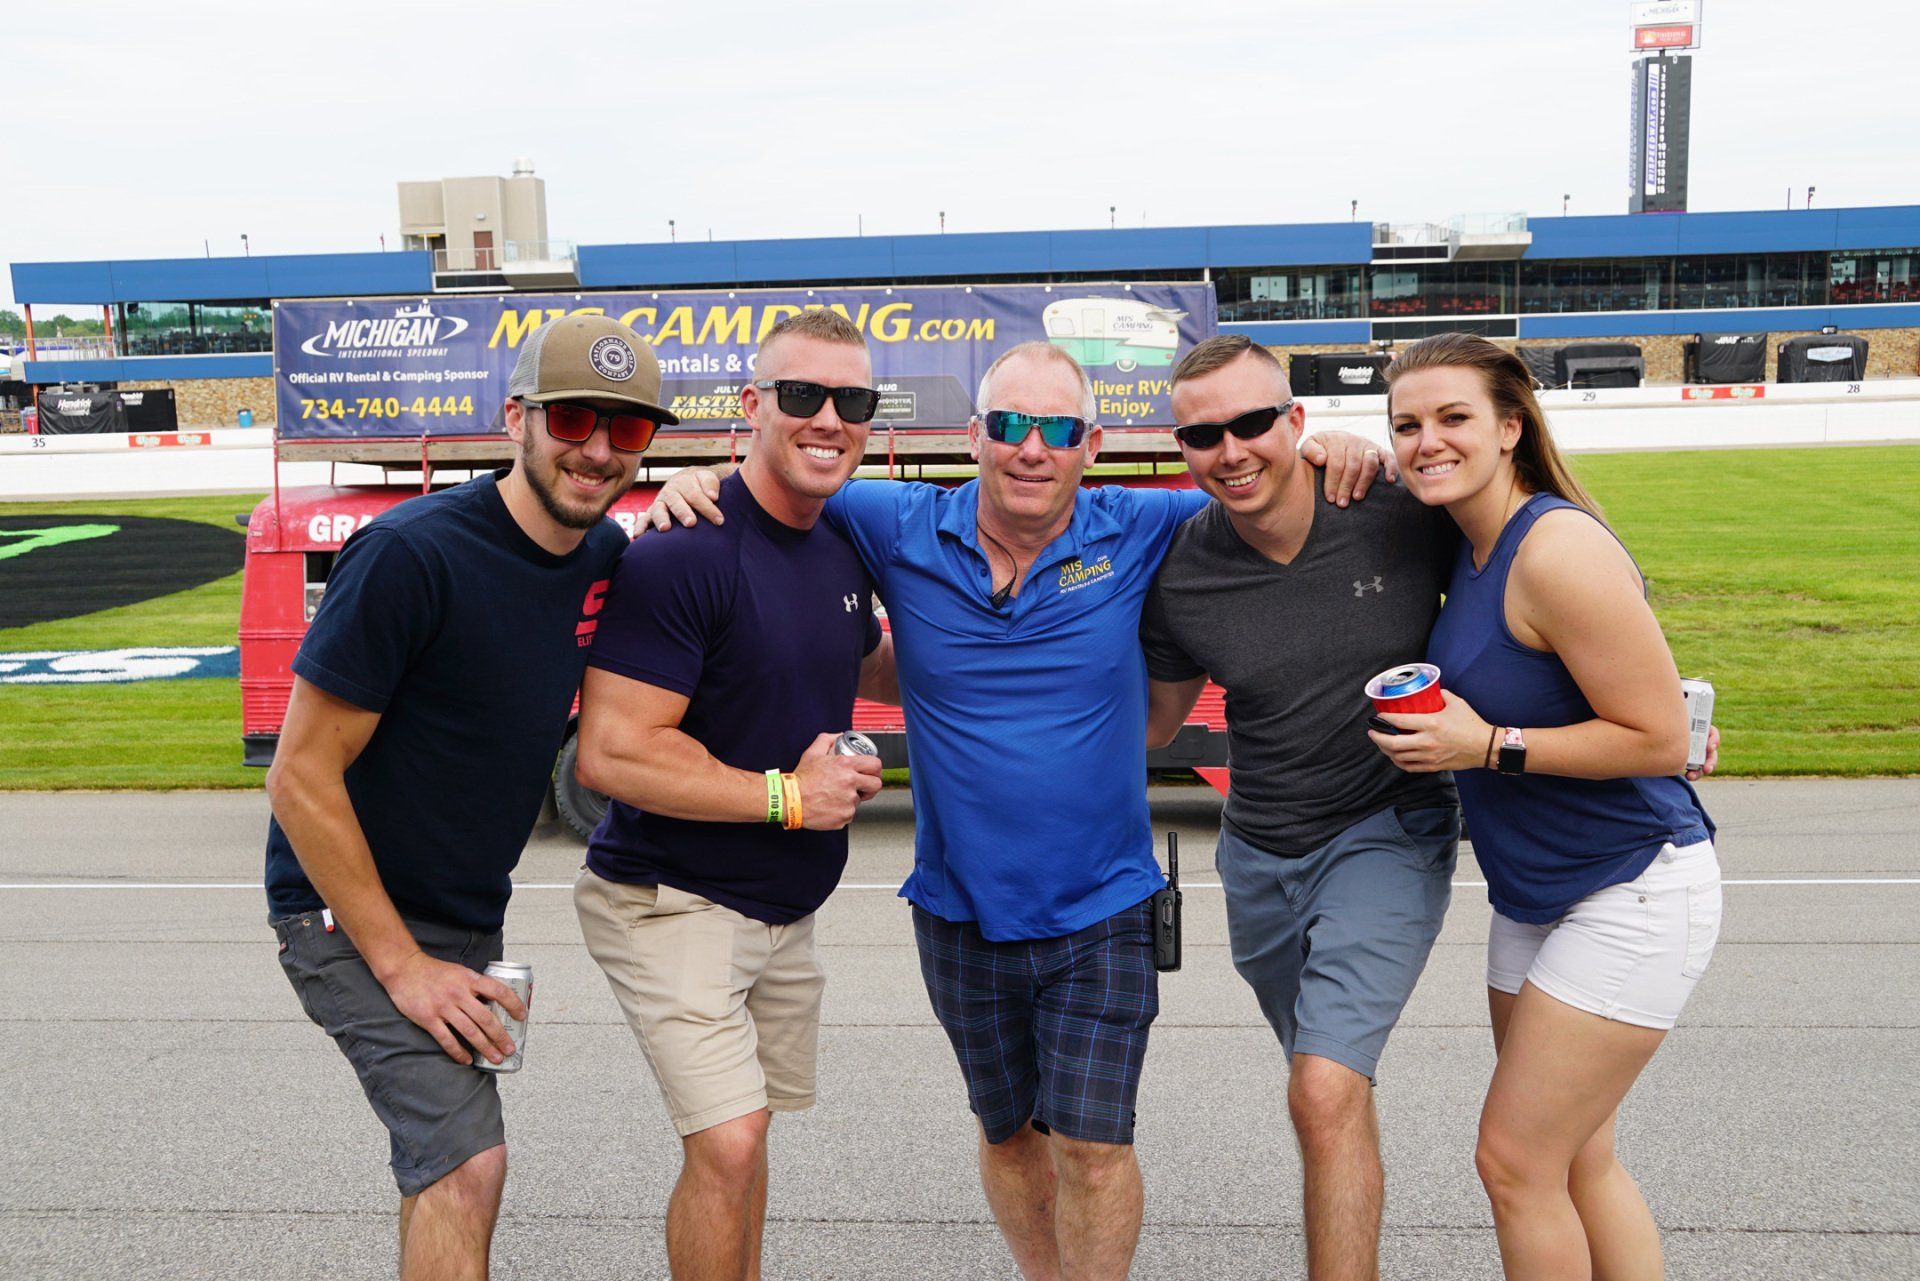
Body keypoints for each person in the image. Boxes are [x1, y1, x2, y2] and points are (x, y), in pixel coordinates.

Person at [647, 339, 1388, 1280]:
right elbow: (781, 478)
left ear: (1094, 444)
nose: (1031, 448)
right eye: (1008, 426)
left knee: (1092, 1144)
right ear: (973, 437)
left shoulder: (1143, 525)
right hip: (958, 911)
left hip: (1104, 908)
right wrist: (697, 478)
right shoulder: (894, 521)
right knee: (1008, 1138)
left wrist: (1348, 447)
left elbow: (1256, 474)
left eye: (1058, 430)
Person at [264, 315, 672, 1280]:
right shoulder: (413, 555)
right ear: (516, 418)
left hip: (460, 920)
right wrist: (403, 966)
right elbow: (298, 775)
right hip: (347, 918)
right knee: (466, 1163)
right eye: (574, 418)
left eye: (629, 431)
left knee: (441, 1168)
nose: (598, 450)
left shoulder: (603, 553)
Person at [1371, 332, 1722, 1281]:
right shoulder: (1469, 539)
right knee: (1577, 1154)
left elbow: (1657, 739)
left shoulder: (1553, 545)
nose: (1425, 441)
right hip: (1535, 896)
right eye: (1405, 424)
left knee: (1516, 1160)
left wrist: (1485, 745)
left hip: (1634, 886)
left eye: (1453, 418)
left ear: (1511, 427)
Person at [569, 309, 894, 1281]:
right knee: (730, 1142)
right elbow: (614, 754)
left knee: (747, 1143)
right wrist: (790, 798)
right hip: (672, 899)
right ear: (751, 406)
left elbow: (867, 661)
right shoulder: (686, 548)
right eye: (802, 396)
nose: (828, 418)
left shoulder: (842, 542)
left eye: (853, 401)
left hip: (784, 910)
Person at [1139, 334, 1458, 1281]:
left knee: (1322, 1089)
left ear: (1296, 422)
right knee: (1329, 1089)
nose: (1230, 451)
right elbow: (1151, 725)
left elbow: (1543, 558)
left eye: (1250, 423)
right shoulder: (1183, 568)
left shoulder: (1395, 510)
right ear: (1181, 445)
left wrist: (1653, 701)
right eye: (1203, 434)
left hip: (1386, 828)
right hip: (1257, 858)